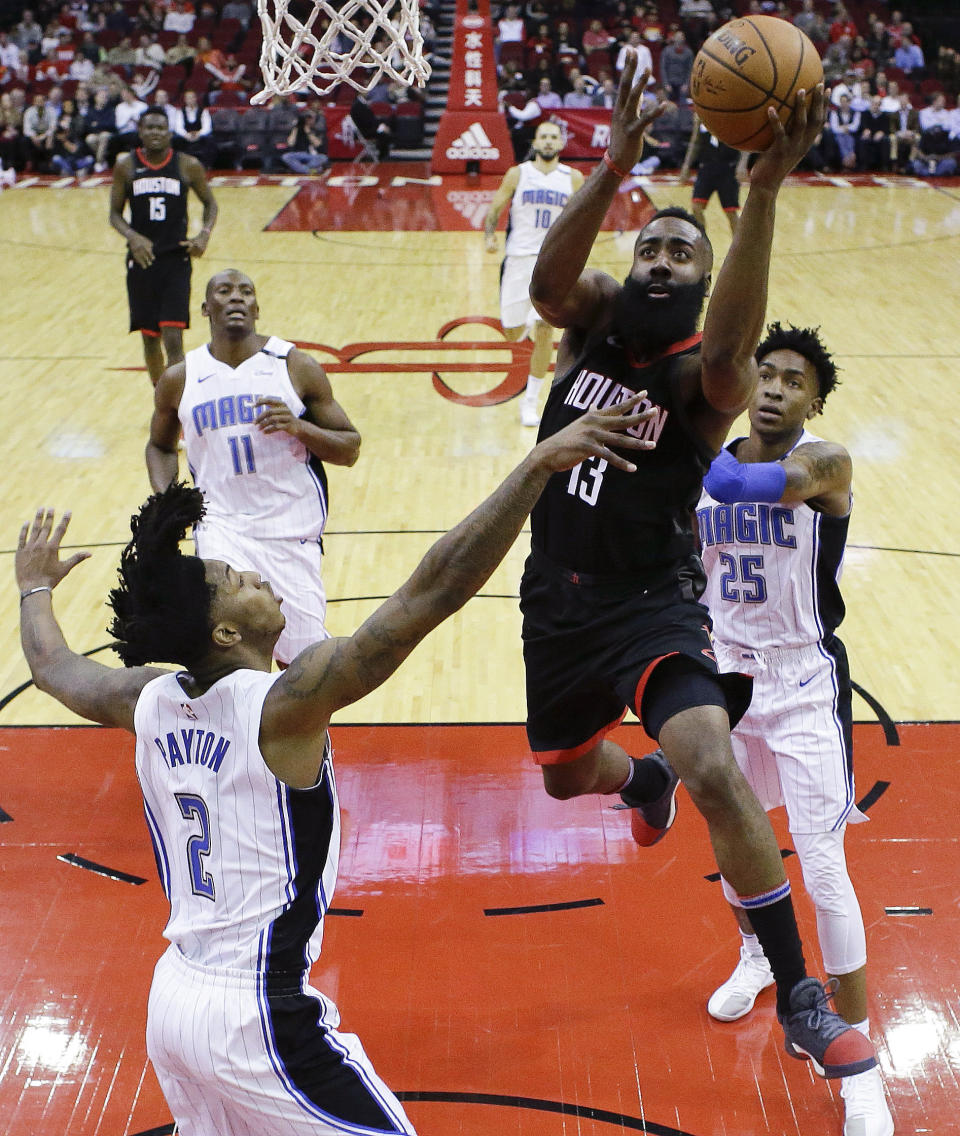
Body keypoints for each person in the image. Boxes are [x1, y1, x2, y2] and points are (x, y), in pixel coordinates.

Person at [15, 396, 656, 1136]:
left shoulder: (147, 698)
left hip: (174, 1001)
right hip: (257, 1013)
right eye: (236, 579)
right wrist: (537, 465)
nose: (256, 575)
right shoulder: (284, 704)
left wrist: (35, 586)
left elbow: (52, 664)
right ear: (225, 631)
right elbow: (431, 592)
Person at [521, 49, 877, 1084]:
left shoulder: (700, 377)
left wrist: (760, 190)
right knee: (563, 776)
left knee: (714, 761)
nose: (667, 256)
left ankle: (802, 995)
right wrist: (612, 165)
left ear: (708, 284)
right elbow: (549, 282)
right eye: (654, 244)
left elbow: (732, 356)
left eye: (687, 251)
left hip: (654, 604)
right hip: (554, 599)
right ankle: (639, 782)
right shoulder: (591, 320)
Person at [691, 322, 894, 1136]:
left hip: (804, 680)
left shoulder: (825, 463)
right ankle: (755, 954)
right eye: (763, 374)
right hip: (726, 675)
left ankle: (861, 1056)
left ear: (814, 399)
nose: (774, 388)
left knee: (821, 865)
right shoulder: (706, 467)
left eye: (790, 380)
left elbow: (753, 488)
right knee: (735, 841)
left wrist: (678, 438)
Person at [145, 268, 359, 664]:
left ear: (257, 307)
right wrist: (168, 500)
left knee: (304, 663)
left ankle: (308, 727)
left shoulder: (294, 366)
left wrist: (299, 427)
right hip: (221, 526)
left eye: (246, 292)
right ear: (207, 308)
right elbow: (159, 446)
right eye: (224, 291)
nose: (236, 298)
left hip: (289, 529)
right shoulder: (181, 377)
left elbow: (350, 448)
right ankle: (238, 725)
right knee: (230, 652)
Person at [483, 120, 584, 427]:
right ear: (536, 142)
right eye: (544, 136)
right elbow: (494, 209)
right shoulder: (518, 173)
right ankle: (526, 320)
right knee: (513, 332)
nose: (550, 141)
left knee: (544, 330)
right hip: (518, 258)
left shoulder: (574, 177)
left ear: (561, 143)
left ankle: (530, 403)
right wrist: (489, 236)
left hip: (552, 262)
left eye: (555, 136)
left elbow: (583, 217)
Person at [110, 106, 218, 388]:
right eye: (150, 128)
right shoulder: (126, 166)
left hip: (176, 259)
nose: (155, 133)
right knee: (150, 337)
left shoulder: (187, 164)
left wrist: (203, 234)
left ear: (170, 133)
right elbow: (115, 214)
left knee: (173, 337)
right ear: (140, 132)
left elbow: (211, 203)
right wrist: (132, 236)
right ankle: (161, 400)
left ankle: (179, 405)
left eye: (161, 128)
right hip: (141, 261)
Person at [678, 115, 750, 236]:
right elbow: (695, 142)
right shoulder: (701, 116)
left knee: (731, 213)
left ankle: (739, 247)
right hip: (706, 168)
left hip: (728, 169)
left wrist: (742, 164)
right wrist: (686, 165)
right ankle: (703, 240)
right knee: (696, 207)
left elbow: (747, 142)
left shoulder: (734, 116)